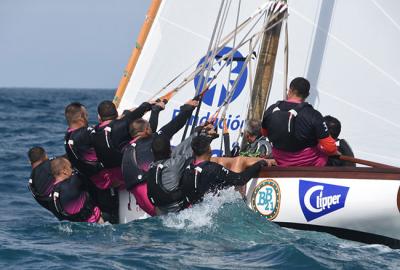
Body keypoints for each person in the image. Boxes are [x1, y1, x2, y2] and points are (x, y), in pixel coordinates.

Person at [122, 99, 199, 216]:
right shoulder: (155, 138)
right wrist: (188, 109)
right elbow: (175, 124)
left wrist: (155, 111)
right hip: (154, 194)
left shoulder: (126, 147)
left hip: (138, 198)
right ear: (147, 130)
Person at [261, 77, 337, 166]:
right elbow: (330, 148)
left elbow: (264, 133)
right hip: (309, 164)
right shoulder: (314, 115)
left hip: (280, 161)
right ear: (307, 95)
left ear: (290, 90)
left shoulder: (271, 109)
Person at [181, 135, 275, 206]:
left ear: (193, 151)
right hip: (206, 209)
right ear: (210, 150)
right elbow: (240, 179)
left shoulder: (187, 165)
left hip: (190, 208)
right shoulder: (213, 168)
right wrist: (259, 164)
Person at [64, 102, 117, 223]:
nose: (87, 118)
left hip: (89, 182)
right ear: (81, 117)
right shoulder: (83, 134)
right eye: (86, 115)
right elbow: (105, 130)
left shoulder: (68, 136)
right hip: (102, 183)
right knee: (111, 216)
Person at [51, 157, 104, 223]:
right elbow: (89, 172)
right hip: (95, 223)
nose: (72, 169)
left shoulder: (53, 192)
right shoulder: (73, 183)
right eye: (70, 167)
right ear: (64, 171)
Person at [27, 146, 61, 219]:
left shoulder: (31, 184)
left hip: (60, 213)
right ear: (45, 155)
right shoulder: (54, 163)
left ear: (29, 162)